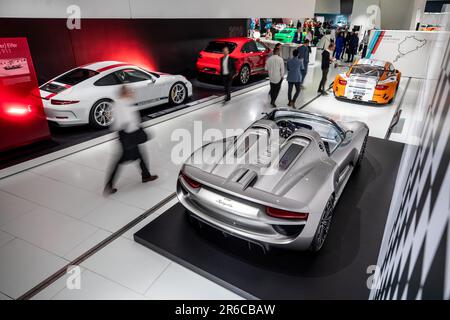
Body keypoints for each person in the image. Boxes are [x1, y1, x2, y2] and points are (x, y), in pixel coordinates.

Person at [104, 85, 158, 195]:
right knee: (121, 160)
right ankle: (109, 185)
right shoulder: (121, 104)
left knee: (140, 156)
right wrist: (131, 126)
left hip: (130, 135)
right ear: (125, 93)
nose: (132, 92)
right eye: (130, 91)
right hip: (128, 136)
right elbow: (121, 122)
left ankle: (146, 176)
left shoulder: (124, 103)